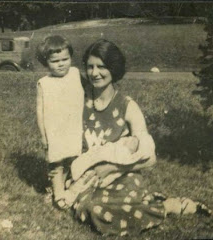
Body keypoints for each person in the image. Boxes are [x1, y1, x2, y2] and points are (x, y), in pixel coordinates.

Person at [56, 39, 211, 237]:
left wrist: (112, 168)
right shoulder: (80, 100)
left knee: (106, 209)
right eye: (90, 66)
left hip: (122, 173)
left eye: (102, 67)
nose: (95, 73)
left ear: (114, 68)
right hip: (87, 176)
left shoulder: (128, 106)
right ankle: (151, 203)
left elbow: (150, 157)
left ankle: (167, 206)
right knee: (93, 209)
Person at [36, 35, 84, 206]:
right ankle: (58, 194)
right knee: (56, 163)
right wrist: (43, 135)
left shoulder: (76, 74)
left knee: (73, 160)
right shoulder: (44, 83)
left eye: (65, 59)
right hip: (55, 130)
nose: (61, 64)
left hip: (74, 127)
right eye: (55, 61)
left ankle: (69, 187)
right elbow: (40, 112)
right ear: (46, 62)